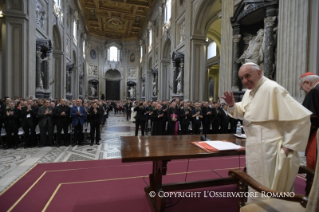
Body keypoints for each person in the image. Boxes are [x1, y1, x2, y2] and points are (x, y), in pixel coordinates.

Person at [222, 62, 311, 202]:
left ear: (259, 73)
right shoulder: (249, 92)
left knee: (270, 186)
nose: (245, 81)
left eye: (247, 76)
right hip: (254, 145)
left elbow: (301, 118)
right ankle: (256, 207)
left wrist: (289, 145)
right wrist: (232, 105)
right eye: (241, 78)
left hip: (271, 147)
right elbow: (245, 113)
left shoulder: (273, 88)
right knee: (255, 183)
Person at [299, 72, 319, 170]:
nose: (304, 91)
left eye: (302, 88)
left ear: (308, 83)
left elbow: (311, 120)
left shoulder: (314, 91)